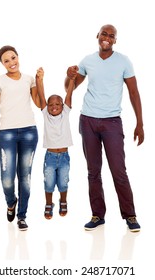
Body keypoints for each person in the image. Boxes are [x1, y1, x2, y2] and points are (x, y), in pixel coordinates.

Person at [65, 24, 144, 232]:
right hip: (88, 120)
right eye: (104, 34)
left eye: (111, 36)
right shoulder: (87, 61)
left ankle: (130, 215)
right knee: (93, 171)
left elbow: (134, 93)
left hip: (111, 122)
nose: (107, 38)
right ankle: (97, 215)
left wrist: (140, 123)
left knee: (119, 170)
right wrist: (69, 75)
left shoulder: (123, 62)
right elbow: (69, 86)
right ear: (97, 36)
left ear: (115, 40)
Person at [0, 45, 41, 231]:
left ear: (18, 57)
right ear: (2, 64)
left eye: (13, 58)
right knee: (7, 179)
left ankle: (22, 216)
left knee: (25, 177)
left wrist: (40, 81)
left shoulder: (29, 79)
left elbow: (40, 103)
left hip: (29, 132)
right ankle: (11, 202)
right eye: (6, 61)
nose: (11, 62)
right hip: (7, 134)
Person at [36, 67, 75, 219]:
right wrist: (40, 79)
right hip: (50, 157)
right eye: (51, 104)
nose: (53, 107)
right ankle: (48, 204)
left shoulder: (65, 112)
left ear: (62, 106)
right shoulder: (45, 113)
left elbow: (69, 93)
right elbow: (41, 94)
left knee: (64, 182)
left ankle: (63, 201)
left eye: (57, 104)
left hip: (64, 156)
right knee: (49, 182)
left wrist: (71, 79)